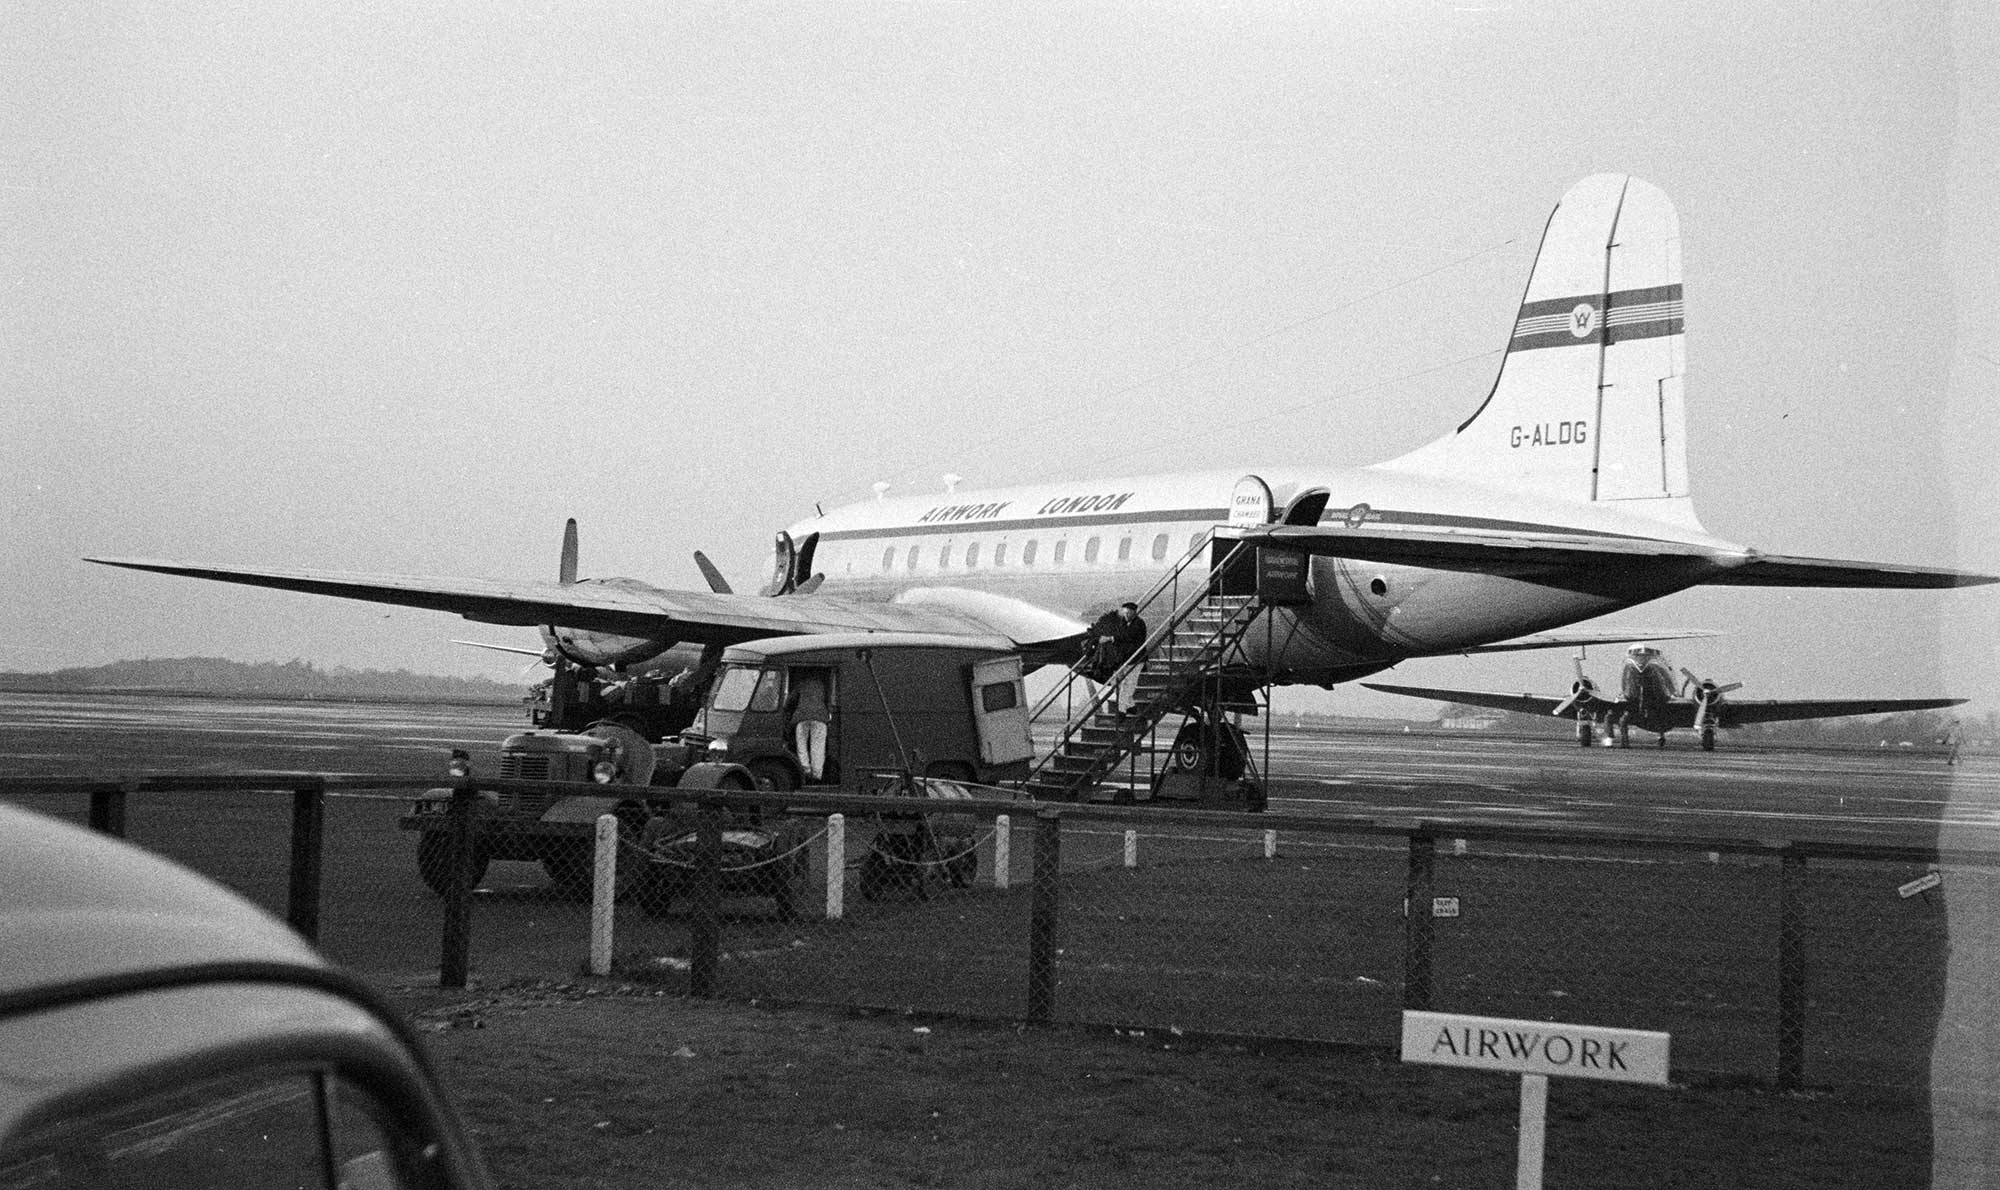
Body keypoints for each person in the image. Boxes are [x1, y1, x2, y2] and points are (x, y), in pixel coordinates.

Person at [1085, 602, 1148, 715]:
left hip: (1136, 659)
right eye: (1125, 612)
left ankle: (1122, 711)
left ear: (1135, 612)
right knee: (1115, 681)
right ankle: (1131, 706)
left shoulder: (1139, 623)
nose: (1126, 614)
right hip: (1124, 659)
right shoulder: (1123, 623)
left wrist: (1110, 638)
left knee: (1128, 684)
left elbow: (1127, 636)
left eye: (1129, 612)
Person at [791, 670, 831, 781]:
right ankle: (817, 775)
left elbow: (790, 700)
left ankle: (805, 770)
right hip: (820, 717)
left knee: (801, 744)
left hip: (801, 716)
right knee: (817, 746)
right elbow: (829, 700)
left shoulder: (801, 684)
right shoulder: (823, 685)